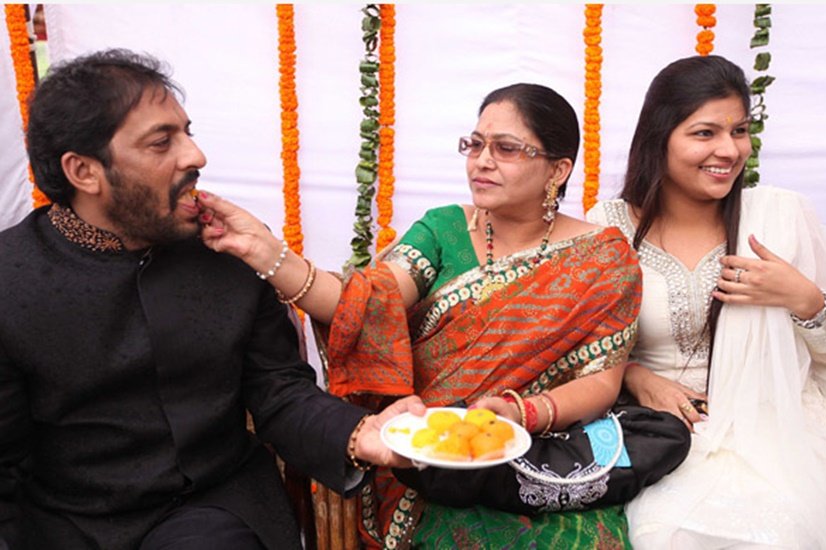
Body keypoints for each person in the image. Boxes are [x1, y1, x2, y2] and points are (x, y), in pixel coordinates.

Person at [0, 48, 426, 550]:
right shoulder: (11, 279)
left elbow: (280, 392)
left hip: (212, 509)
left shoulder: (226, 248)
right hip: (68, 524)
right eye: (162, 142)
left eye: (187, 132)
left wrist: (360, 434)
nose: (195, 156)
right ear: (84, 172)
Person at [198, 83, 643, 548]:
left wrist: (520, 413)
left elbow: (601, 381)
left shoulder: (603, 258)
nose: (482, 161)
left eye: (506, 148)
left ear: (558, 169)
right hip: (431, 462)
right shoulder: (443, 229)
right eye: (475, 144)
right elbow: (362, 302)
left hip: (544, 462)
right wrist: (266, 253)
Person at [586, 55, 826, 549]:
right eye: (705, 133)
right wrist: (636, 378)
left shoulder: (779, 215)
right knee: (665, 535)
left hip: (777, 430)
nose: (729, 150)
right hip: (662, 435)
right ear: (659, 137)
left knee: (782, 530)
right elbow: (580, 351)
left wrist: (805, 298)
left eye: (739, 131)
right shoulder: (609, 226)